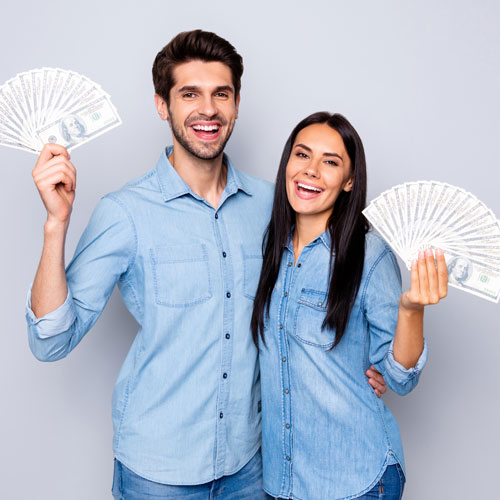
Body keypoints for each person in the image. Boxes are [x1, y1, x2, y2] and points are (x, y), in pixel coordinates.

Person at [25, 31, 386, 499]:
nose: (208, 110)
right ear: (162, 105)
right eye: (189, 94)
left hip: (250, 467)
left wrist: (364, 363)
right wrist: (57, 225)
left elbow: (322, 279)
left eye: (221, 94)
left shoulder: (273, 206)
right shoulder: (125, 212)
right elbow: (49, 340)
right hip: (158, 471)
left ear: (236, 104)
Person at [251, 112, 448, 500]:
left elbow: (399, 379)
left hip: (354, 478)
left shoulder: (367, 254)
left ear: (349, 181)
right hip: (282, 478)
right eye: (301, 155)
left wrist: (411, 310)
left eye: (330, 162)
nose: (311, 171)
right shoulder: (270, 245)